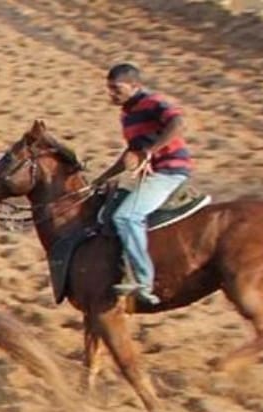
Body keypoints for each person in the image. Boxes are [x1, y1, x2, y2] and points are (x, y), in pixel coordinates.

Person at [91, 63, 194, 306]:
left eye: (117, 89)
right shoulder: (127, 114)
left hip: (169, 171)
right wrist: (104, 177)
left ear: (135, 86)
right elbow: (132, 152)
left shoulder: (152, 102)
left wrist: (150, 152)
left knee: (126, 217)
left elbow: (178, 124)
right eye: (109, 89)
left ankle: (143, 280)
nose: (112, 94)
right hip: (150, 174)